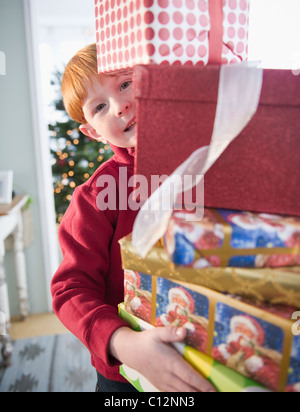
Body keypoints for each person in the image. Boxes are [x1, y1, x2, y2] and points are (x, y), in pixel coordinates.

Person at [51, 43, 215, 393]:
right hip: (126, 373)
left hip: (206, 357)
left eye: (125, 84)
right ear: (93, 131)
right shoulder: (95, 197)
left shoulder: (204, 163)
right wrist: (123, 344)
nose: (120, 106)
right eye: (99, 107)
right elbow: (70, 289)